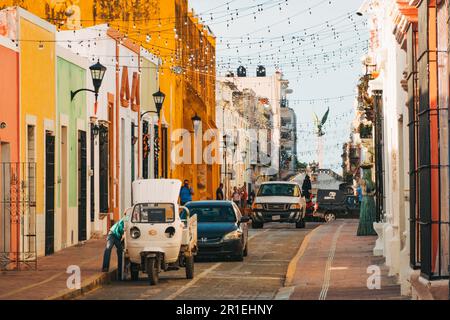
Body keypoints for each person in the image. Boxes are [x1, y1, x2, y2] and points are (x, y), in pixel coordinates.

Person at [357, 166, 377, 236]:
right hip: (370, 199)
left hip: (366, 199)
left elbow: (358, 181)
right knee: (370, 214)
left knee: (365, 214)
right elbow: (375, 190)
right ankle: (370, 230)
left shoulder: (365, 181)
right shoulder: (371, 182)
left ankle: (365, 230)